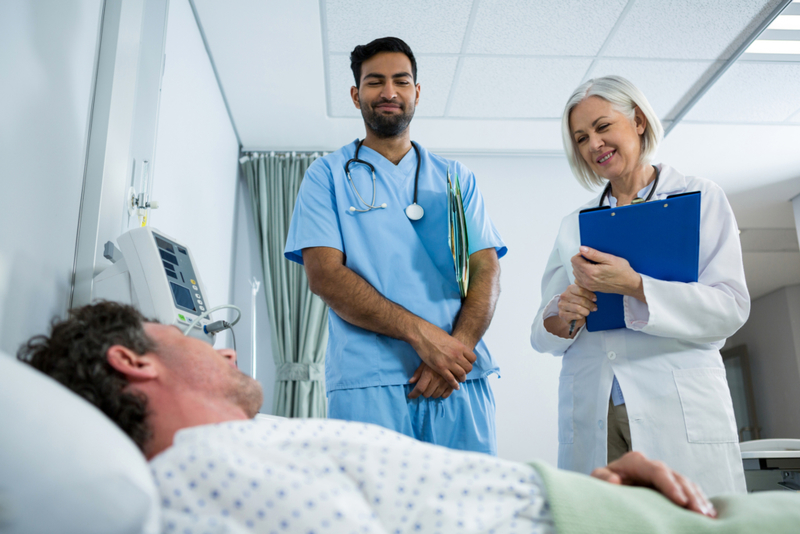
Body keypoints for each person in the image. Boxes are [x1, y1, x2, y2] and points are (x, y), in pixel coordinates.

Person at [20, 301, 752, 534]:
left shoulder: (254, 443)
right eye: (186, 335)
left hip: (600, 503)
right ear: (134, 361)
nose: (224, 348)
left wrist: (600, 490)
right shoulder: (200, 469)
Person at [284, 37, 506, 455]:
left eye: (401, 81)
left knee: (468, 514)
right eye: (375, 82)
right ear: (356, 95)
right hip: (369, 381)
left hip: (458, 378)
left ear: (417, 92)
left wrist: (455, 352)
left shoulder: (456, 178)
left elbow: (486, 269)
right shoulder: (325, 176)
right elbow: (325, 276)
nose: (389, 92)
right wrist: (425, 338)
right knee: (375, 515)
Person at [529, 76, 749, 498]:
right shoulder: (575, 224)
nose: (594, 143)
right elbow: (543, 332)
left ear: (639, 122)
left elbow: (730, 308)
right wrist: (563, 310)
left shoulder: (700, 197)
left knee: (687, 523)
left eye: (602, 126)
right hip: (595, 406)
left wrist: (635, 285)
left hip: (675, 403)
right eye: (581, 137)